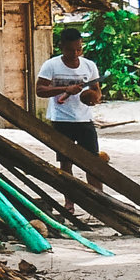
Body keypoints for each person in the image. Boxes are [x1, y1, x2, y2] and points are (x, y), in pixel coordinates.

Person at [34, 24, 105, 203]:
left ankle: (100, 202)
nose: (75, 54)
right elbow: (40, 90)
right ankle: (69, 202)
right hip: (61, 120)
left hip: (84, 120)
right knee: (66, 163)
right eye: (70, 50)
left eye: (78, 49)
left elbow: (97, 90)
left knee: (92, 163)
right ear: (61, 47)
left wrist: (94, 98)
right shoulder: (51, 65)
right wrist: (65, 88)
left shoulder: (89, 66)